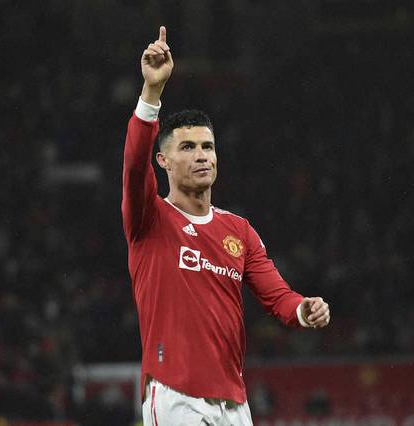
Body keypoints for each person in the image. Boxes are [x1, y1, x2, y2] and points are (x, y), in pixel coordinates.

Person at [122, 26, 331, 425]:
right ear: (163, 161)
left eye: (208, 146)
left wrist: (304, 310)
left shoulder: (239, 231)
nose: (202, 155)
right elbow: (134, 166)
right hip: (175, 394)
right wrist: (152, 93)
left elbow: (278, 298)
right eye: (187, 147)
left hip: (233, 402)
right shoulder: (149, 218)